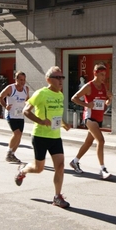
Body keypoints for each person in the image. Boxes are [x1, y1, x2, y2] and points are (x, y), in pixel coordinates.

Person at [15, 66, 71, 208]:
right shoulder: (41, 93)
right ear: (48, 80)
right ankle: (23, 170)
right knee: (39, 168)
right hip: (40, 136)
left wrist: (64, 123)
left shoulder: (60, 95)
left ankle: (57, 197)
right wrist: (40, 121)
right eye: (57, 78)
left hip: (55, 136)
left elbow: (57, 114)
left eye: (62, 77)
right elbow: (25, 111)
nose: (60, 80)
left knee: (60, 166)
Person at [69, 63, 113, 179]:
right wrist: (86, 104)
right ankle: (102, 169)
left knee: (88, 142)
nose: (104, 77)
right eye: (102, 74)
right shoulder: (89, 86)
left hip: (99, 119)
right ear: (95, 74)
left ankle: (75, 161)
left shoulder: (103, 87)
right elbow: (74, 98)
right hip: (89, 118)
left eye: (105, 75)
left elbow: (105, 103)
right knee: (101, 141)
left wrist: (110, 98)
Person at [0, 71, 29, 163]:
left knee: (19, 136)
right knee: (17, 133)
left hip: (20, 115)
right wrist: (5, 106)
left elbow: (27, 100)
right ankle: (8, 152)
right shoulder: (10, 88)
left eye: (24, 80)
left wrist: (28, 105)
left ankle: (12, 154)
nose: (23, 82)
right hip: (11, 114)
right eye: (21, 80)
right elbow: (0, 97)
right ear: (16, 79)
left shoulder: (25, 89)